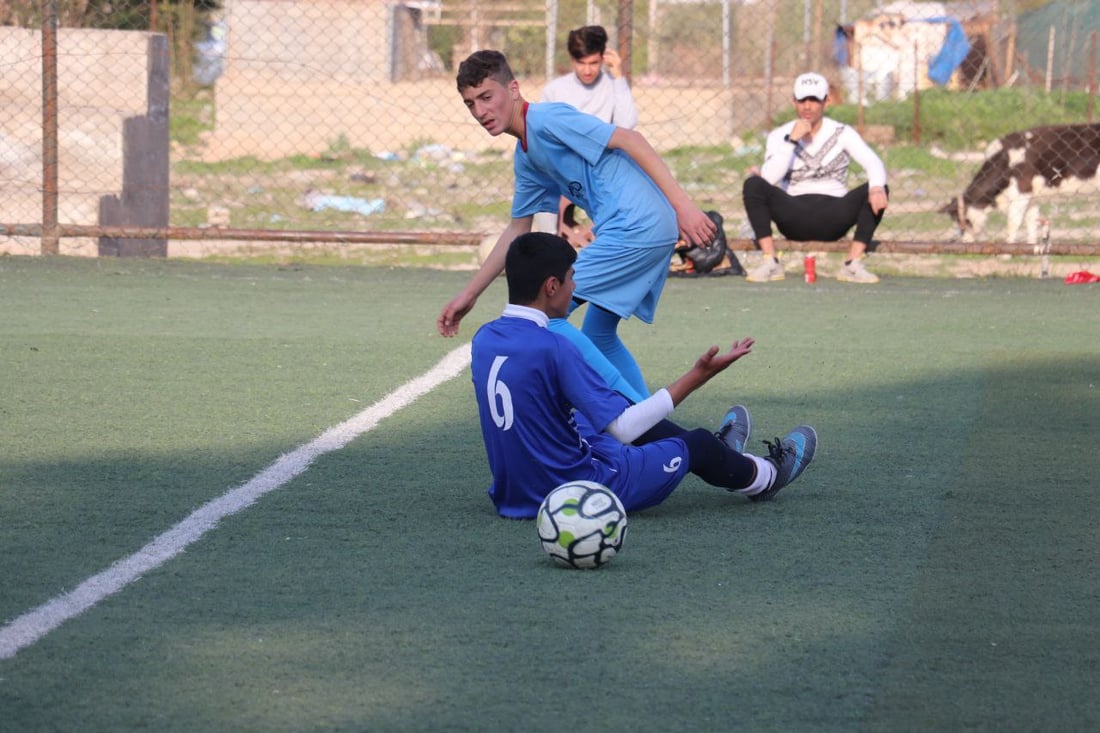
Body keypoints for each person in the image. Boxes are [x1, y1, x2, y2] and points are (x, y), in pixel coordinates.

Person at [471, 232, 818, 518]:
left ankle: (724, 455)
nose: (573, 287)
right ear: (551, 286)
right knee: (694, 443)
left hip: (514, 492)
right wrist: (697, 376)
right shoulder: (554, 346)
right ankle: (766, 475)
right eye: (571, 278)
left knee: (594, 417)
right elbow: (623, 428)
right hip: (580, 492)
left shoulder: (484, 338)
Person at [438, 49, 717, 402]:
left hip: (637, 226)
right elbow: (516, 230)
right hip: (636, 227)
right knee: (599, 333)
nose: (480, 112)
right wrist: (470, 295)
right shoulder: (526, 156)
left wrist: (685, 207)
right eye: (470, 104)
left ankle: (641, 423)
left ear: (513, 88)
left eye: (486, 97)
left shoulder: (547, 120)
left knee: (547, 314)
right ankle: (648, 421)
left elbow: (632, 140)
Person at [742, 72, 889, 284]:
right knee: (753, 184)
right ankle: (770, 262)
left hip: (834, 214)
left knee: (879, 185)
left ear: (826, 101)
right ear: (794, 101)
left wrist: (876, 188)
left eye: (814, 100)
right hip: (793, 215)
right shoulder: (779, 135)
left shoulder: (842, 132)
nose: (807, 106)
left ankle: (852, 264)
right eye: (802, 100)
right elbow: (769, 178)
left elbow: (873, 162)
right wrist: (792, 140)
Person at [539, 25, 640, 247]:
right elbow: (541, 134)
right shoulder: (555, 90)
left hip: (600, 164)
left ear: (603, 58)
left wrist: (619, 77)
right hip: (562, 164)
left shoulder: (613, 86)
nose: (587, 70)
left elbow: (627, 124)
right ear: (572, 60)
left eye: (593, 63)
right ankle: (549, 245)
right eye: (581, 63)